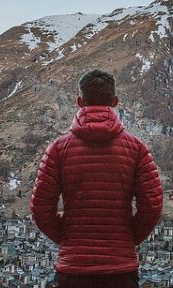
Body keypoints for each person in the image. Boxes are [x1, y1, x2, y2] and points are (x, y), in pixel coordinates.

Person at [30, 69, 163, 288]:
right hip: (121, 269)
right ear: (115, 101)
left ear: (80, 101)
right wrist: (127, 238)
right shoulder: (137, 149)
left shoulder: (58, 149)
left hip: (73, 269)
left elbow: (40, 208)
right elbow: (152, 204)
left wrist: (67, 237)